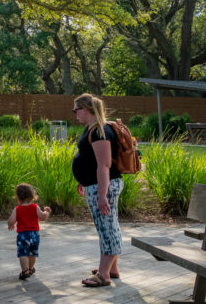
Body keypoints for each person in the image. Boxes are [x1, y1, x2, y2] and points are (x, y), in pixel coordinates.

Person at [72, 93, 123, 287]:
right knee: (108, 225)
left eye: (76, 109)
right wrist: (82, 179)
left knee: (106, 228)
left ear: (86, 109)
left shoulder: (101, 131)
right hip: (94, 184)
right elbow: (90, 159)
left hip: (104, 185)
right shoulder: (92, 129)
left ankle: (103, 275)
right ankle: (112, 268)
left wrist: (102, 195)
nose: (74, 113)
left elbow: (104, 165)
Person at [6, 183, 51, 280]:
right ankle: (30, 268)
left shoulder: (17, 209)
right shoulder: (35, 207)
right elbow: (43, 217)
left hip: (22, 236)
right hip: (34, 235)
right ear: (32, 196)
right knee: (32, 253)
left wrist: (11, 224)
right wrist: (47, 212)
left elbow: (10, 221)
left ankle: (25, 270)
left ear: (18, 198)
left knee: (23, 253)